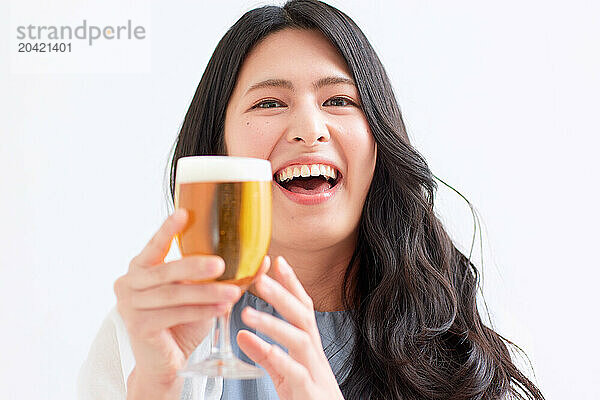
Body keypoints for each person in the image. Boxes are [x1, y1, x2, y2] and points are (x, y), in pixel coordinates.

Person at [78, 1, 545, 399]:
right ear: (219, 151)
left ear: (378, 141)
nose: (309, 128)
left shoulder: (467, 339)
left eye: (340, 100)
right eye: (269, 103)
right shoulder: (146, 331)